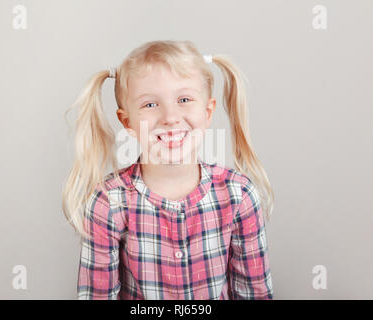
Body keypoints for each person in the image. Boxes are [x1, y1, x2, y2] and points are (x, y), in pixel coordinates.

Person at [62, 40, 275, 300]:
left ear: (208, 111)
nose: (170, 117)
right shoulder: (108, 203)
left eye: (184, 99)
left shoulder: (239, 195)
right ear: (127, 121)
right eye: (150, 105)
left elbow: (254, 294)